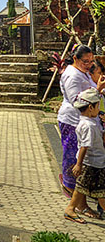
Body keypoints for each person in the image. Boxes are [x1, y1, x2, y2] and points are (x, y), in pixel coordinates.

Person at [58, 45, 105, 196]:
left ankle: (78, 194)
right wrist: (97, 90)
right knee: (73, 157)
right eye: (85, 61)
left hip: (85, 120)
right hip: (72, 120)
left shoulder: (83, 72)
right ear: (75, 59)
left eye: (91, 61)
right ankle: (70, 189)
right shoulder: (72, 75)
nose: (89, 65)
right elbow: (77, 101)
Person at [64, 87, 105, 223]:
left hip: (96, 161)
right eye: (97, 105)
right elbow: (84, 146)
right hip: (91, 162)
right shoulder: (88, 125)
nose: (99, 108)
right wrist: (79, 164)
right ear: (90, 108)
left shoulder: (91, 122)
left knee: (84, 188)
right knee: (95, 190)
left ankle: (71, 208)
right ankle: (70, 208)